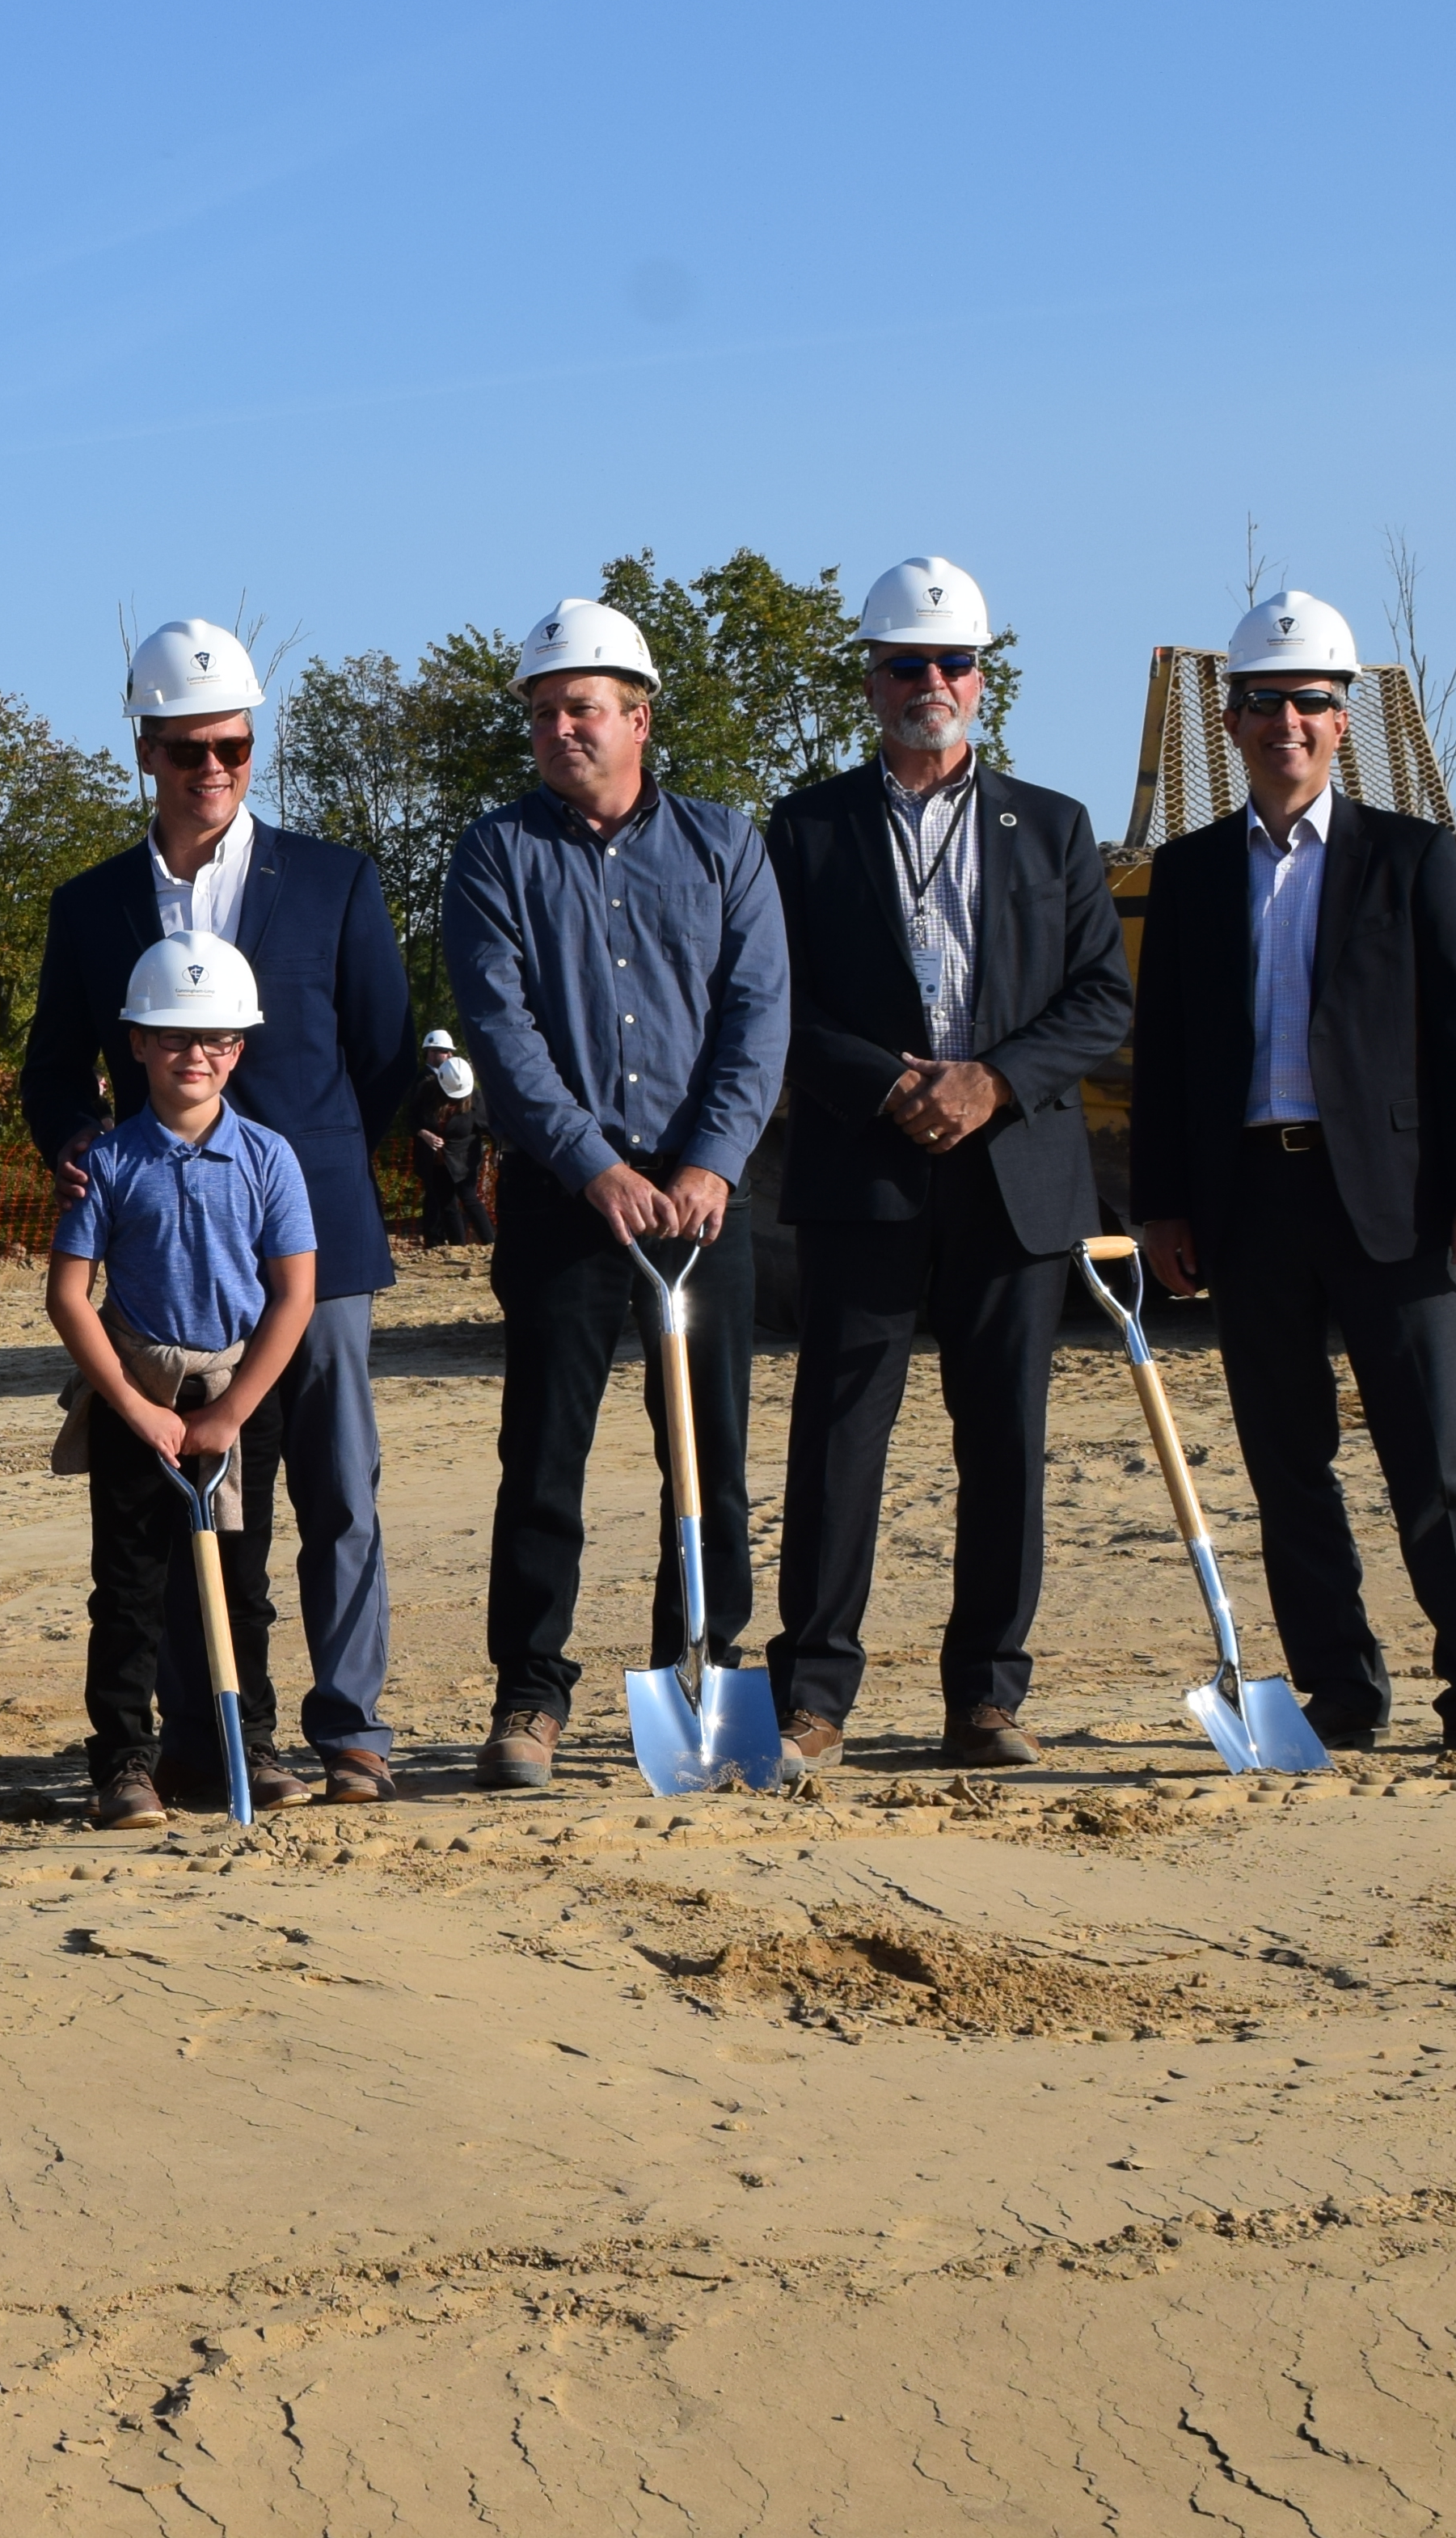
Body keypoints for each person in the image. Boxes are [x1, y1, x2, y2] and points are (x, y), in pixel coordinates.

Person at [1130, 591, 1456, 1757]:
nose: (1289, 723)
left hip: (1398, 1202)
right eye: (1266, 704)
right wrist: (1163, 1203)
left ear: (1344, 720)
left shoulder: (1411, 860)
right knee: (1289, 1463)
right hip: (1249, 1201)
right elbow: (1162, 1055)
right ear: (1230, 722)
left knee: (1437, 1452)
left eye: (1311, 702)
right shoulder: (1192, 872)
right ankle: (1342, 1691)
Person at [21, 617, 420, 1801]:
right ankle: (211, 1740)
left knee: (339, 1491)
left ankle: (351, 1727)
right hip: (158, 1261)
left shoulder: (337, 881)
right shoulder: (90, 906)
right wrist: (80, 1149)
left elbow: (387, 1053)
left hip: (315, 1247)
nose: (213, 771)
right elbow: (52, 1071)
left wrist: (314, 1173)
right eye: (190, 749)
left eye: (235, 750)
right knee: (199, 1500)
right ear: (144, 747)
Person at [758, 557, 1133, 1772]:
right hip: (864, 1171)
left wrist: (992, 1080)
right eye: (907, 664)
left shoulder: (1055, 825)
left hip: (1014, 1174)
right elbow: (776, 1002)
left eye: (953, 662)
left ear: (984, 676)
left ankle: (987, 1698)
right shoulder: (806, 830)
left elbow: (1100, 1001)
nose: (933, 683)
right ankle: (813, 1697)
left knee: (1005, 1442)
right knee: (838, 1438)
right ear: (869, 681)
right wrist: (891, 1083)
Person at [439, 598, 791, 1791]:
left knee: (715, 1457)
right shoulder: (496, 856)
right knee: (544, 1458)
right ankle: (529, 1696)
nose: (560, 729)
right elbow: (502, 1028)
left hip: (702, 1206)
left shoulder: (724, 846)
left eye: (582, 707)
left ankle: (703, 1662)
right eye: (542, 713)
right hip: (563, 1203)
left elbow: (757, 1016)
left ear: (639, 717)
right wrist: (596, 1168)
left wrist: (707, 1164)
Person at [48, 935, 319, 1826]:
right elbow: (68, 1296)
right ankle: (125, 1761)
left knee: (241, 1583)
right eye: (171, 1036)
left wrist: (233, 1412)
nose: (193, 1054)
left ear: (239, 1047)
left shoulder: (270, 1157)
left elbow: (294, 1294)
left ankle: (245, 1746)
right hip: (139, 1396)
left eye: (214, 1038)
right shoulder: (108, 1162)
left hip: (239, 1400)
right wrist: (135, 1408)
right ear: (136, 1043)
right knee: (127, 1586)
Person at [405, 1031, 496, 1247]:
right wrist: (424, 1134)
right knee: (446, 1204)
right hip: (436, 1161)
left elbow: (490, 1127)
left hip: (464, 1160)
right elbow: (412, 1119)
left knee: (469, 1199)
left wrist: (497, 1151)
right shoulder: (425, 1090)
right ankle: (457, 1247)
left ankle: (491, 1244)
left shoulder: (475, 1099)